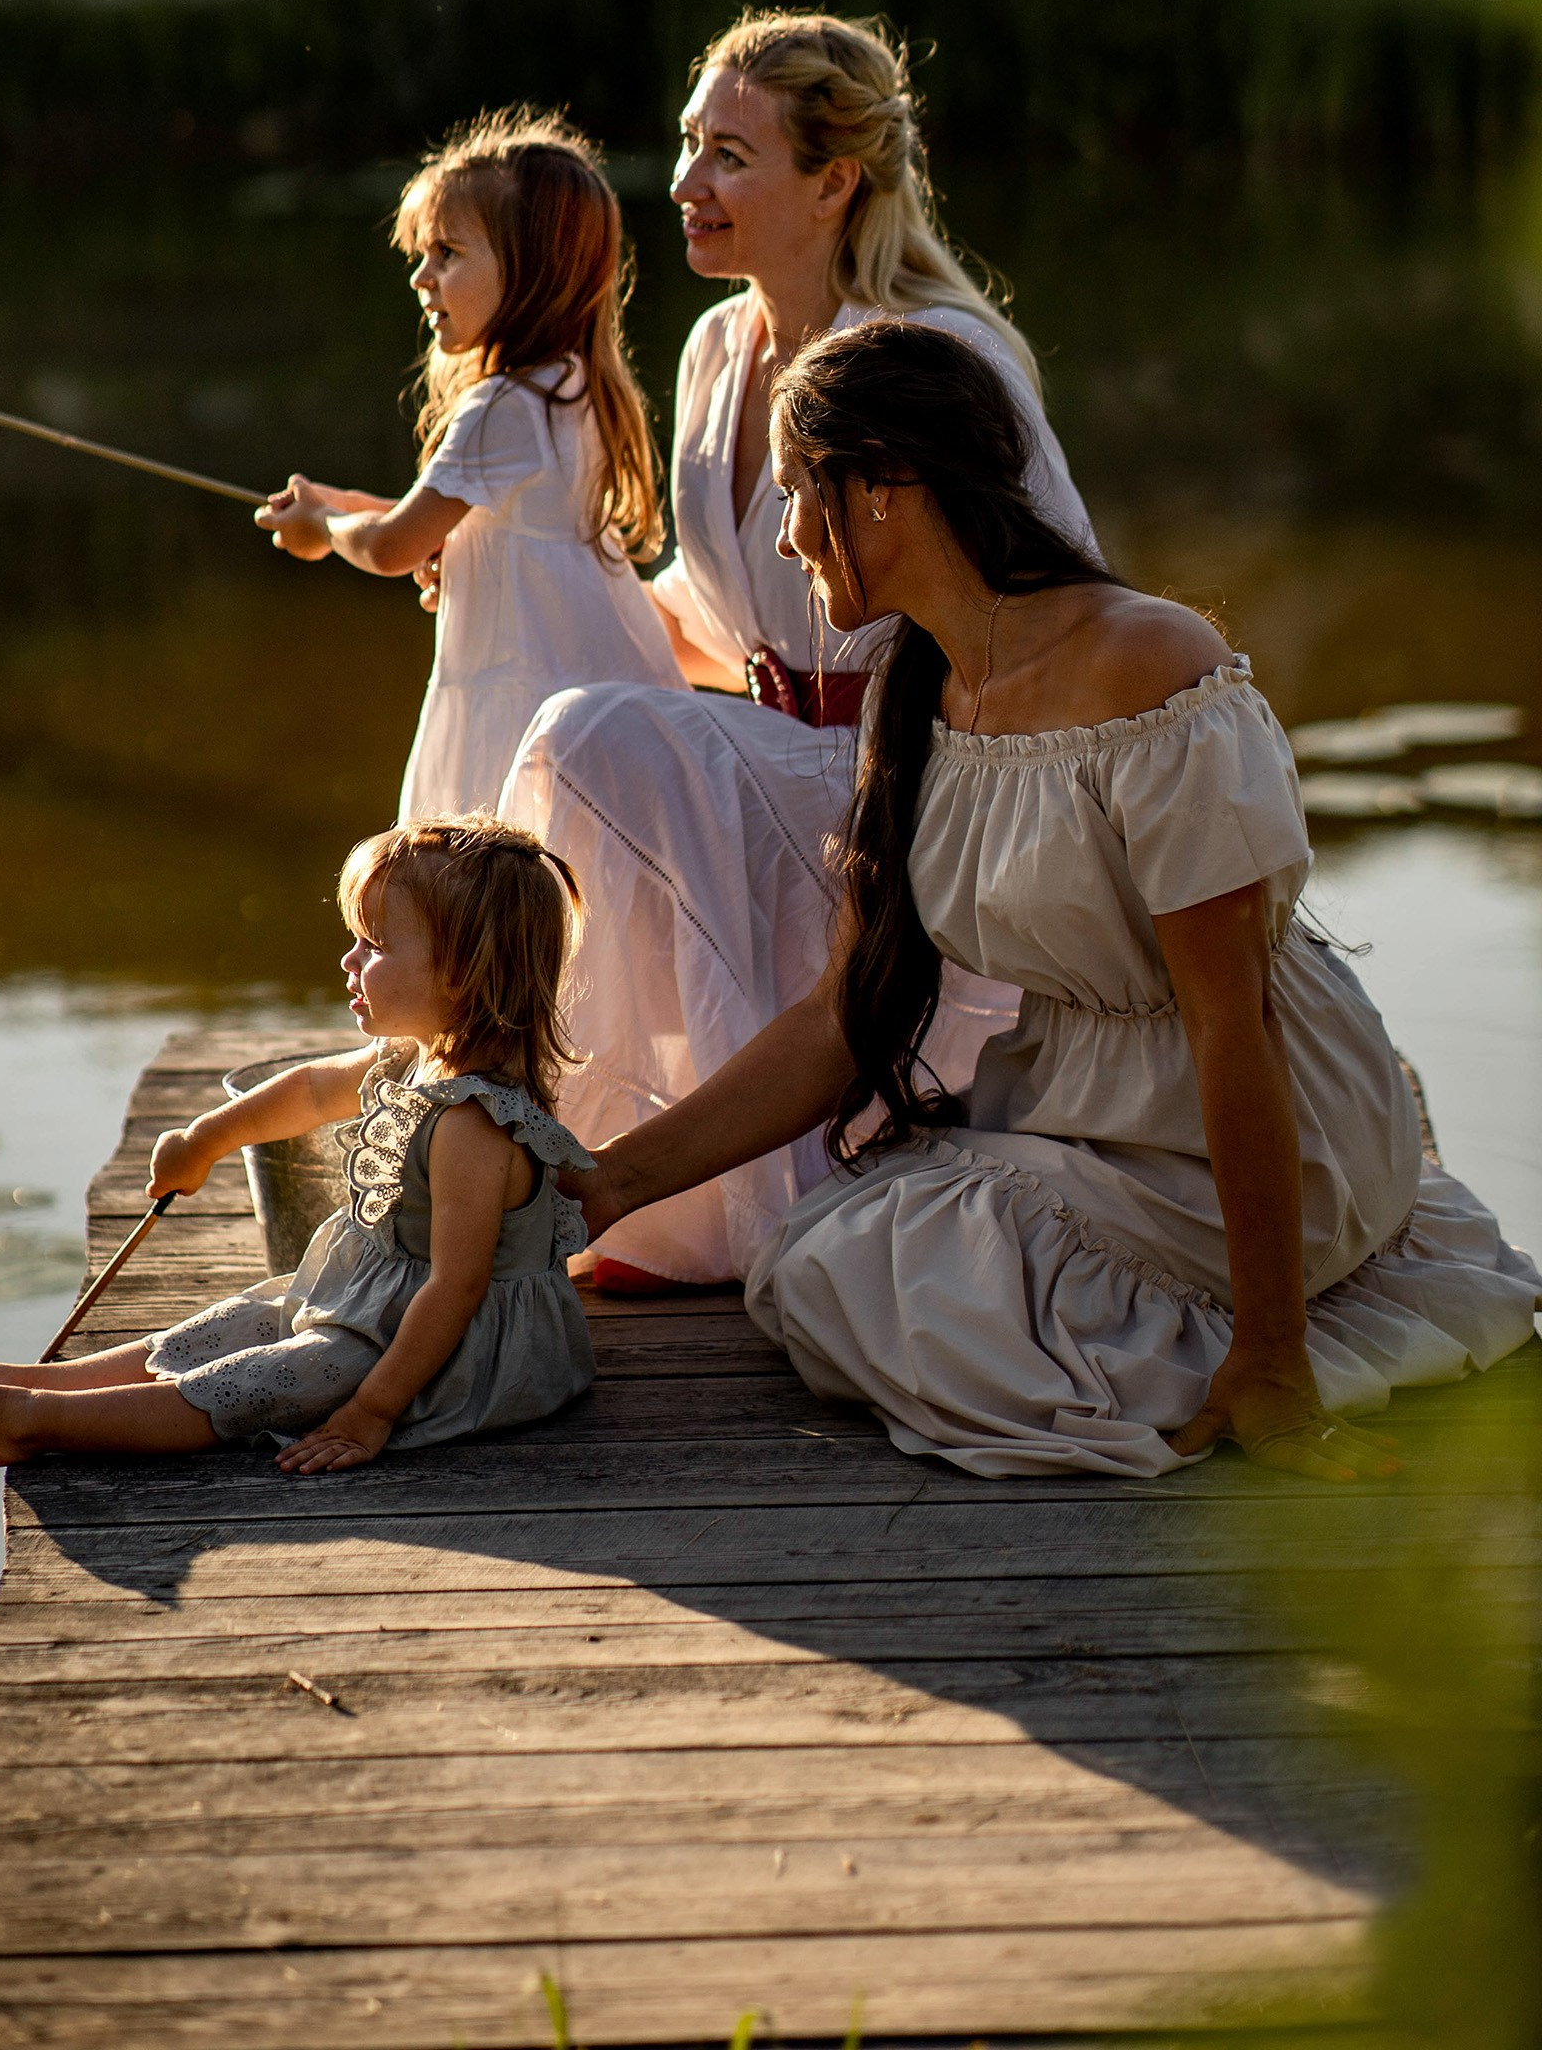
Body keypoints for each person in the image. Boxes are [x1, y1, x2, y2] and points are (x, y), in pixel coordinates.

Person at [567, 319, 1542, 1479]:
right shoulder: (914, 691)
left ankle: (1261, 1344)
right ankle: (1173, 1334)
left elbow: (1235, 1023)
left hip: (1250, 1103)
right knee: (824, 1261)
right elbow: (842, 1019)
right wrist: (606, 1187)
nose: (782, 538)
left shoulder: (1147, 669)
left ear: (881, 484)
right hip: (1079, 1101)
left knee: (895, 1285)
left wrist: (1279, 1362)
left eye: (793, 495)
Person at [502, 12, 1093, 1288]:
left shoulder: (935, 355)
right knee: (583, 715)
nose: (681, 186)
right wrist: (509, 569)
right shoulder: (720, 346)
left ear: (833, 182)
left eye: (727, 155)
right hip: (783, 758)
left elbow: (1047, 598)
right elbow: (713, 615)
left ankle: (678, 1190)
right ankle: (679, 1200)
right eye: (684, 146)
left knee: (586, 738)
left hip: (928, 779)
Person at [0, 816, 597, 1474]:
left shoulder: (474, 1128)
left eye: (375, 946)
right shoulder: (415, 1058)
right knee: (243, 1320)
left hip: (457, 1352)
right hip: (376, 1303)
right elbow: (314, 1091)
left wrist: (371, 1412)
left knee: (267, 1378)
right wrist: (204, 1140)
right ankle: (38, 1383)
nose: (349, 960)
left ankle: (31, 1421)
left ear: (462, 975)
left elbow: (457, 1289)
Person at [255, 109, 683, 818]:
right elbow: (453, 519)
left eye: (448, 254)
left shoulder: (503, 406)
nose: (422, 277)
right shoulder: (569, 384)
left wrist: (322, 528)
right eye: (421, 255)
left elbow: (394, 546)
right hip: (592, 693)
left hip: (521, 704)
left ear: (533, 273)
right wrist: (341, 502)